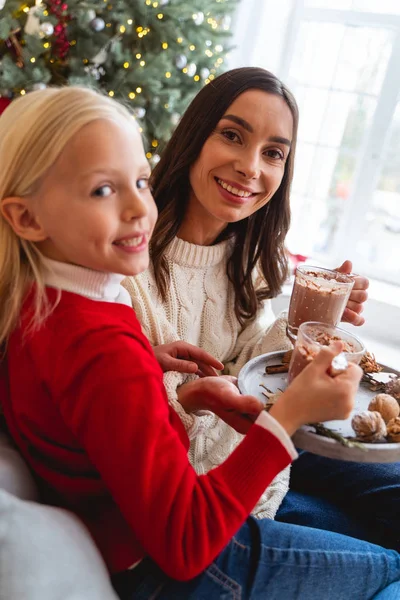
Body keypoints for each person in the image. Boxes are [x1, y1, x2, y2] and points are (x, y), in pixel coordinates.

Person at [0, 86, 400, 600]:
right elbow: (185, 542)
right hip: (176, 563)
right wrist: (289, 415)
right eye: (103, 190)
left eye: (140, 181)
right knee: (388, 564)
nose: (138, 209)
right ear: (28, 218)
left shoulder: (53, 306)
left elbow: (97, 413)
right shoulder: (103, 328)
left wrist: (167, 382)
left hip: (186, 508)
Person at [123, 66, 399, 549]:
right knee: (384, 552)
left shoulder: (245, 259)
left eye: (273, 153)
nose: (252, 168)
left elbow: (255, 370)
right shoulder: (127, 265)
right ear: (194, 138)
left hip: (269, 464)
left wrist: (309, 325)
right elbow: (136, 436)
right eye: (232, 135)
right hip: (214, 499)